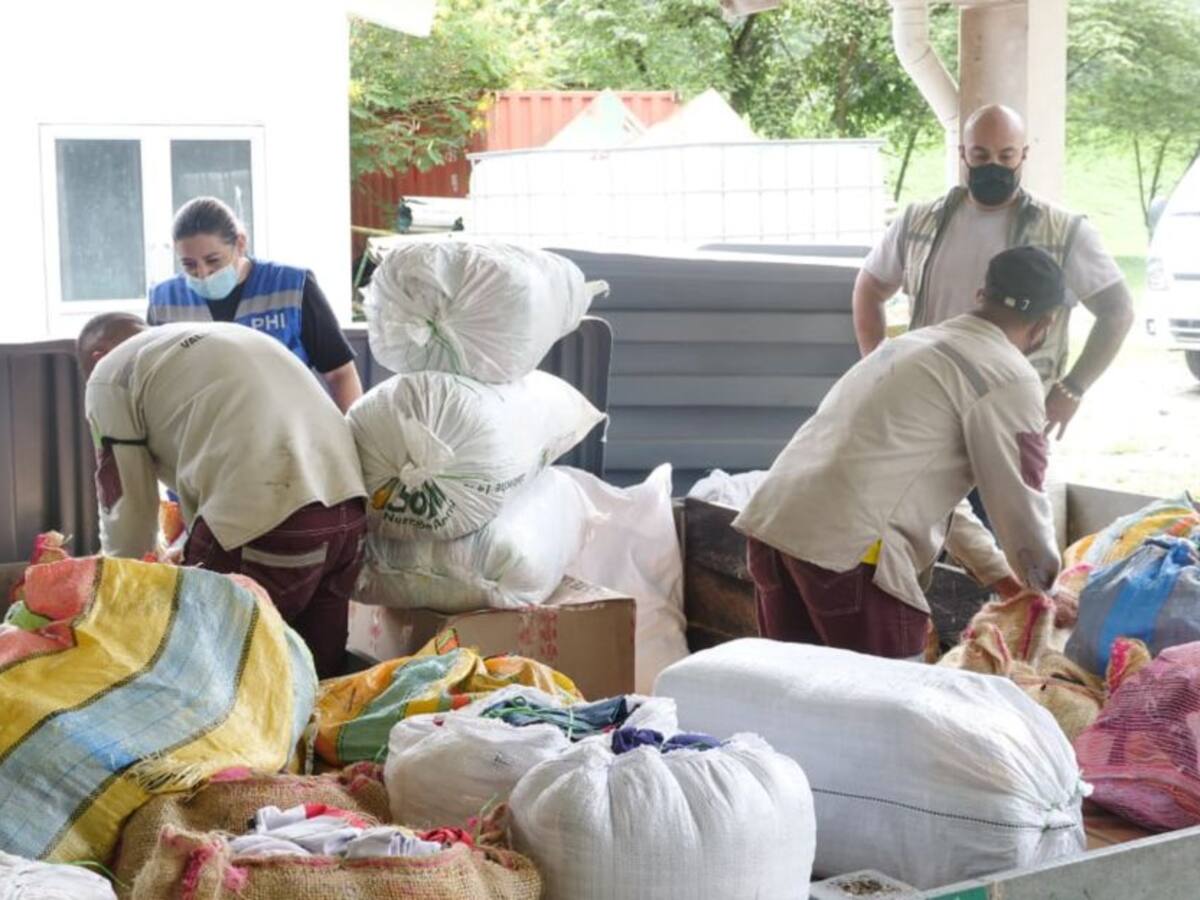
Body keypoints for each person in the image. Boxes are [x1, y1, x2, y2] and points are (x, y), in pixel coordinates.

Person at [734, 246, 1065, 658]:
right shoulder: (1008, 375)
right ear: (1048, 323)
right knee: (891, 695)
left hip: (776, 529)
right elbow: (1019, 499)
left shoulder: (910, 345)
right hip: (850, 553)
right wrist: (1045, 590)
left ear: (982, 295)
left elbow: (926, 496)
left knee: (795, 691)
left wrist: (1004, 578)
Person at [78, 315, 368, 677]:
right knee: (322, 681)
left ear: (97, 357)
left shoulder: (108, 375)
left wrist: (119, 593)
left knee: (208, 677)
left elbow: (128, 510)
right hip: (349, 513)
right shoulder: (211, 336)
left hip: (265, 523)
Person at [852, 104, 1134, 441]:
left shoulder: (1065, 231)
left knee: (1009, 480)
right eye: (981, 155)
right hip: (927, 407)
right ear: (963, 154)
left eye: (1006, 156)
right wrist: (877, 366)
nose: (993, 166)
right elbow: (870, 288)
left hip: (1012, 411)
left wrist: (1073, 389)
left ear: (1024, 155)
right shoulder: (917, 222)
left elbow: (1118, 311)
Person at [147, 196, 364, 413]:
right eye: (189, 264)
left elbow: (339, 373)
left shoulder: (291, 287)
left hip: (284, 428)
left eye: (213, 260)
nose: (203, 273)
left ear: (240, 244)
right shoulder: (164, 301)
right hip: (197, 430)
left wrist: (350, 430)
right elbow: (149, 382)